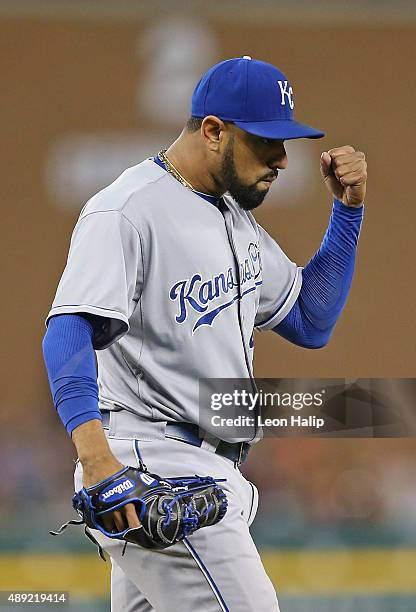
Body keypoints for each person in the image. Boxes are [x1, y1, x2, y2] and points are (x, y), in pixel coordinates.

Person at [43, 56, 367, 611]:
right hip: (157, 469)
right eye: (266, 141)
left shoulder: (234, 217)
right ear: (213, 130)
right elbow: (67, 330)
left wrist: (348, 213)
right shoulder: (127, 209)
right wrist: (97, 463)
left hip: (210, 469)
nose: (283, 159)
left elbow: (311, 320)